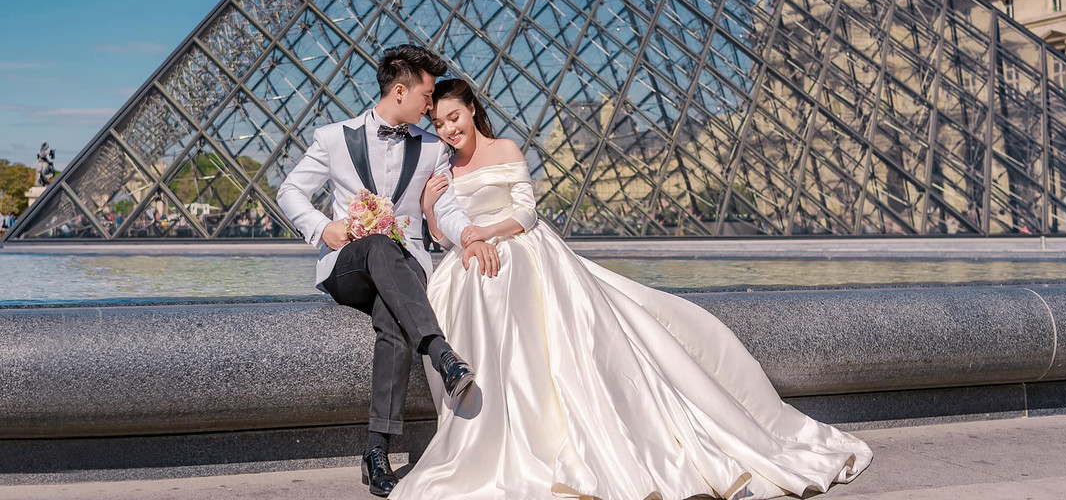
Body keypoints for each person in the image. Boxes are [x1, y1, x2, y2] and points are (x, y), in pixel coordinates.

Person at [391, 78, 873, 500]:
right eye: (439, 123)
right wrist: (432, 208)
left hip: (518, 245)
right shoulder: (443, 169)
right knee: (470, 285)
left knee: (505, 281)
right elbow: (441, 234)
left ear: (472, 109)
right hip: (472, 254)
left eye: (454, 117)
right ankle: (496, 426)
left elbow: (527, 213)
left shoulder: (507, 149)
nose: (448, 129)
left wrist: (486, 233)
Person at [276, 45, 496, 497]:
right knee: (377, 244)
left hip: (405, 265)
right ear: (400, 91)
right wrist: (322, 227)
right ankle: (440, 352)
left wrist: (470, 235)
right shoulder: (333, 137)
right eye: (427, 95)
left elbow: (447, 207)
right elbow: (290, 191)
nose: (431, 107)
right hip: (349, 265)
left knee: (394, 322)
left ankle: (377, 453)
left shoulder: (433, 147)